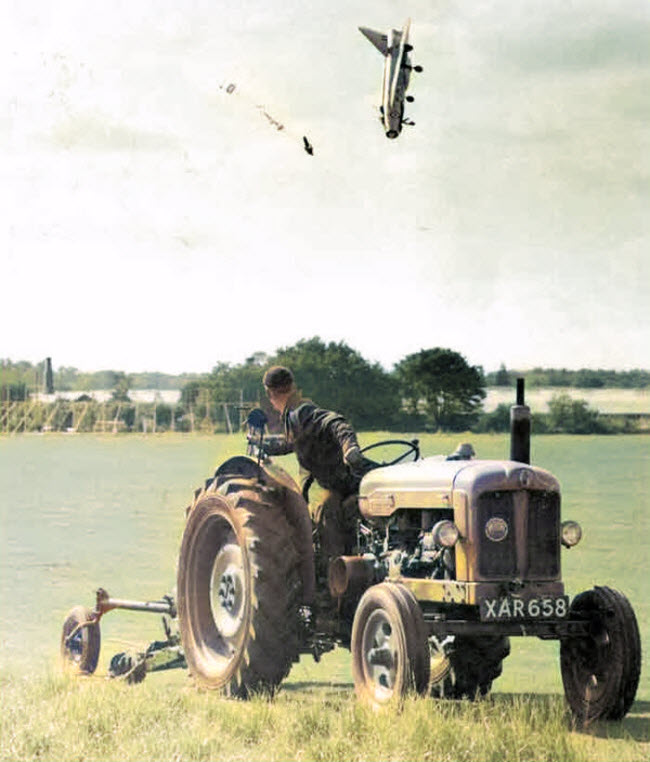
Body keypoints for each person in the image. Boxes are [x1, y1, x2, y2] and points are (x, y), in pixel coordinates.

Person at [258, 366, 368, 589]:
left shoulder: (301, 411)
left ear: (271, 395)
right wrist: (264, 446)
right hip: (331, 481)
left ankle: (335, 586)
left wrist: (350, 447)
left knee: (328, 510)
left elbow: (336, 423)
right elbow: (293, 442)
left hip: (331, 483)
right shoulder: (294, 413)